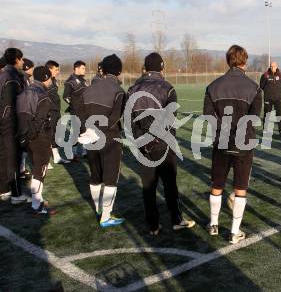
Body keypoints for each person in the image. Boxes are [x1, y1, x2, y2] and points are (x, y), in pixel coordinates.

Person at [128, 52, 195, 235]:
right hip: (163, 143)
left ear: (145, 68)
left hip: (142, 143)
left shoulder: (133, 88)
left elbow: (129, 120)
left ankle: (153, 226)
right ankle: (176, 219)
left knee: (148, 186)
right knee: (169, 183)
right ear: (161, 67)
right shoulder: (167, 87)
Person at [204, 45, 262, 244]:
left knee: (217, 185)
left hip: (221, 141)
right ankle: (234, 232)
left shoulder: (213, 86)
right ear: (244, 61)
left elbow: (208, 116)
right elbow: (254, 118)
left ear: (228, 61)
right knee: (240, 189)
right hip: (243, 143)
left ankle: (213, 225)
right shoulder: (254, 87)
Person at [81, 54, 126, 228]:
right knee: (110, 178)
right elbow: (115, 119)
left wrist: (89, 130)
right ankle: (106, 216)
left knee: (95, 175)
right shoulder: (118, 91)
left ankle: (99, 209)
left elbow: (80, 113)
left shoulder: (88, 88)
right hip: (109, 137)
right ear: (119, 71)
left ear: (103, 69)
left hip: (90, 136)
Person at [16, 66, 56, 215]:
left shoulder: (23, 92)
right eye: (50, 77)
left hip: (25, 137)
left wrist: (24, 137)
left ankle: (37, 201)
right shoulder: (43, 95)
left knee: (35, 169)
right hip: (38, 138)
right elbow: (39, 122)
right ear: (46, 77)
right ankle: (36, 205)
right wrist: (32, 135)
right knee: (40, 171)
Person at [0, 48, 30, 204]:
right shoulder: (12, 77)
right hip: (10, 123)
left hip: (4, 122)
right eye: (22, 59)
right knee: (13, 158)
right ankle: (16, 194)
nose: (23, 62)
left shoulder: (3, 74)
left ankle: (4, 189)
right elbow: (11, 104)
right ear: (17, 60)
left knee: (4, 155)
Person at [46, 60, 70, 165]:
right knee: (48, 136)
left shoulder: (54, 80)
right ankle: (45, 161)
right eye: (56, 69)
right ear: (49, 69)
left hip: (56, 111)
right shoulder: (45, 81)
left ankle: (56, 157)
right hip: (49, 112)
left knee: (55, 135)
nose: (58, 71)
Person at [63, 60, 88, 160]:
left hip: (85, 110)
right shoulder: (70, 81)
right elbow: (66, 97)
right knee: (76, 132)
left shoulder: (83, 80)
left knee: (84, 130)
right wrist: (74, 105)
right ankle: (72, 153)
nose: (84, 70)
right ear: (76, 68)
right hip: (77, 111)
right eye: (83, 68)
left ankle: (82, 151)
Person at [259, 61, 281, 134]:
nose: (272, 67)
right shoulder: (265, 75)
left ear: (276, 66)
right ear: (269, 66)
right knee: (267, 114)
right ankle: (265, 129)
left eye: (274, 66)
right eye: (271, 66)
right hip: (268, 98)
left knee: (279, 114)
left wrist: (276, 91)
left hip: (277, 98)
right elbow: (262, 85)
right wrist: (268, 91)